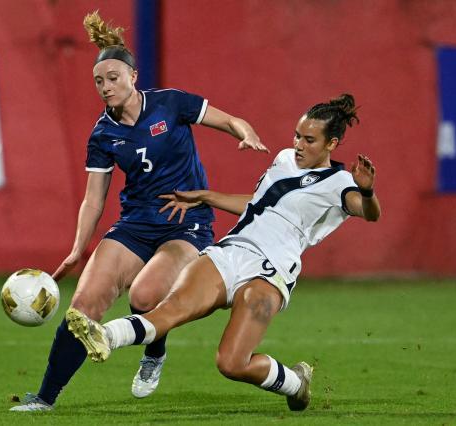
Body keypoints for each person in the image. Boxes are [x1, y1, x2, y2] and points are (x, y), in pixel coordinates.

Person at [10, 11, 268, 411]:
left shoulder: (170, 104)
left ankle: (154, 352)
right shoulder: (103, 134)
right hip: (135, 223)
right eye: (98, 81)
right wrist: (78, 248)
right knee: (84, 307)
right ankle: (44, 398)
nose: (106, 86)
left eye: (113, 77)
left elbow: (229, 119)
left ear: (133, 76)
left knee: (146, 296)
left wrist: (245, 131)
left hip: (186, 223)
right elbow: (94, 199)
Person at [65, 93, 381, 411]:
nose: (299, 144)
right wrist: (206, 196)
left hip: (270, 272)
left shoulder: (341, 182)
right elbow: (258, 206)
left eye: (309, 139)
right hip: (230, 252)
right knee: (169, 309)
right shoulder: (285, 159)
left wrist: (367, 192)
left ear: (332, 143)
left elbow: (369, 213)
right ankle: (105, 334)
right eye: (297, 135)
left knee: (231, 363)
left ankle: (296, 382)